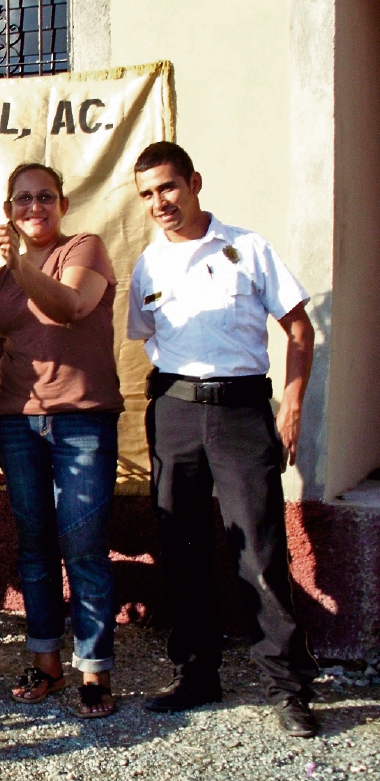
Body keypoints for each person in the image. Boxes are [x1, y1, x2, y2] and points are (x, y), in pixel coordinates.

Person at [127, 142, 320, 738]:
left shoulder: (249, 248)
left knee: (260, 551)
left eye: (168, 188)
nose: (160, 202)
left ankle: (289, 688)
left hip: (240, 413)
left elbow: (299, 329)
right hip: (176, 415)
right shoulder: (148, 267)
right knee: (181, 548)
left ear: (194, 183)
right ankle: (195, 675)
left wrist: (290, 406)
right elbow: (147, 341)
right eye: (148, 194)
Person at [0, 163, 122, 719]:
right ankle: (46, 664)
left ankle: (95, 671)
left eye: (44, 197)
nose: (33, 207)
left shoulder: (85, 248)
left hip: (80, 421)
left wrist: (17, 261)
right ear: (8, 210)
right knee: (34, 549)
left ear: (62, 204)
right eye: (21, 200)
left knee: (84, 548)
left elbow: (70, 308)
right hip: (18, 423)